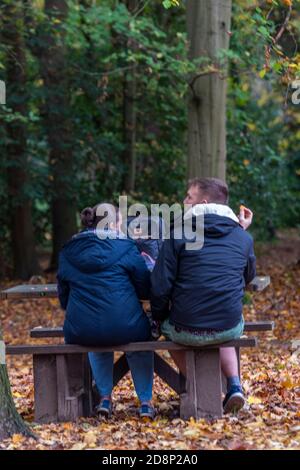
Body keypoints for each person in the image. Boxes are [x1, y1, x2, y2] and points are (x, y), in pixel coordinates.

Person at [150, 177, 256, 414]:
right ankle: (234, 385)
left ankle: (199, 386)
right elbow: (249, 275)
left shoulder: (178, 235)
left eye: (189, 197)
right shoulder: (242, 238)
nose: (183, 201)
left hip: (184, 329)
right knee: (224, 320)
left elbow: (159, 286)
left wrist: (158, 316)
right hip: (228, 327)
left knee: (167, 329)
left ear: (203, 202)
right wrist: (240, 230)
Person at [57, 203, 155, 419]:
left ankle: (104, 398)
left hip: (81, 328)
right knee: (139, 342)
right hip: (126, 326)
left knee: (96, 337)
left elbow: (63, 296)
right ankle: (146, 402)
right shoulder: (127, 247)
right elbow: (144, 288)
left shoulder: (69, 250)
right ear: (114, 224)